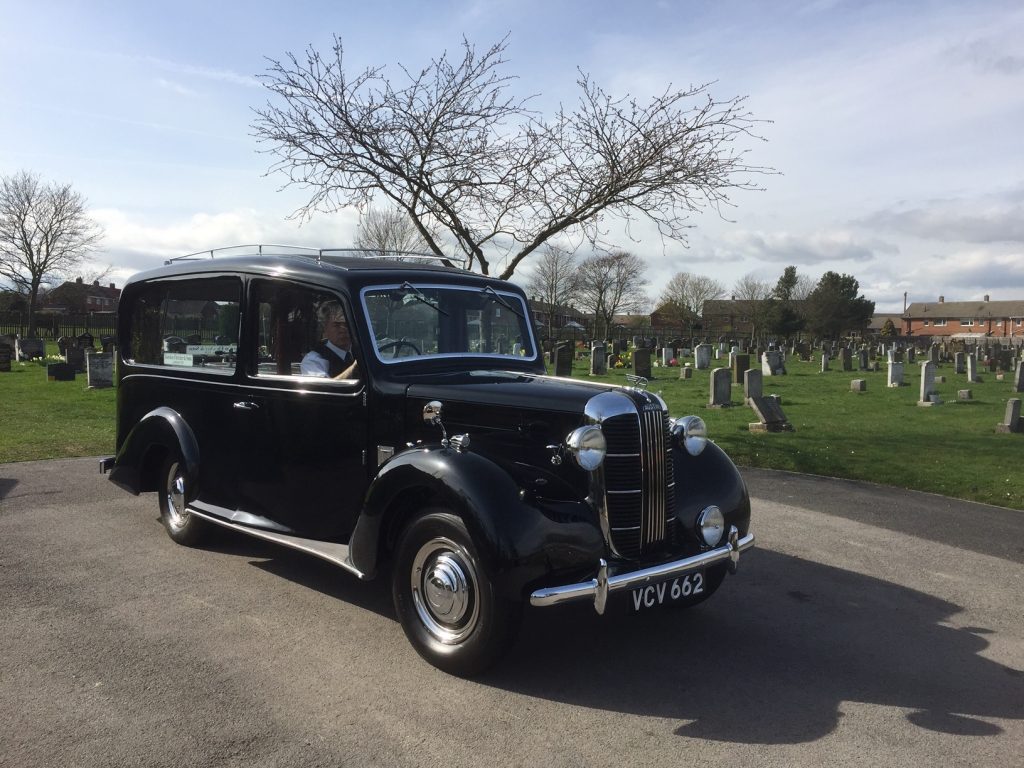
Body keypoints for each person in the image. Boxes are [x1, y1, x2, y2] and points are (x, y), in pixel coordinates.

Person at [300, 301, 359, 379]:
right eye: (337, 325)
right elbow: (326, 389)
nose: (343, 330)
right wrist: (355, 367)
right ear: (325, 328)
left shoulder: (360, 352)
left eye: (347, 324)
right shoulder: (313, 360)